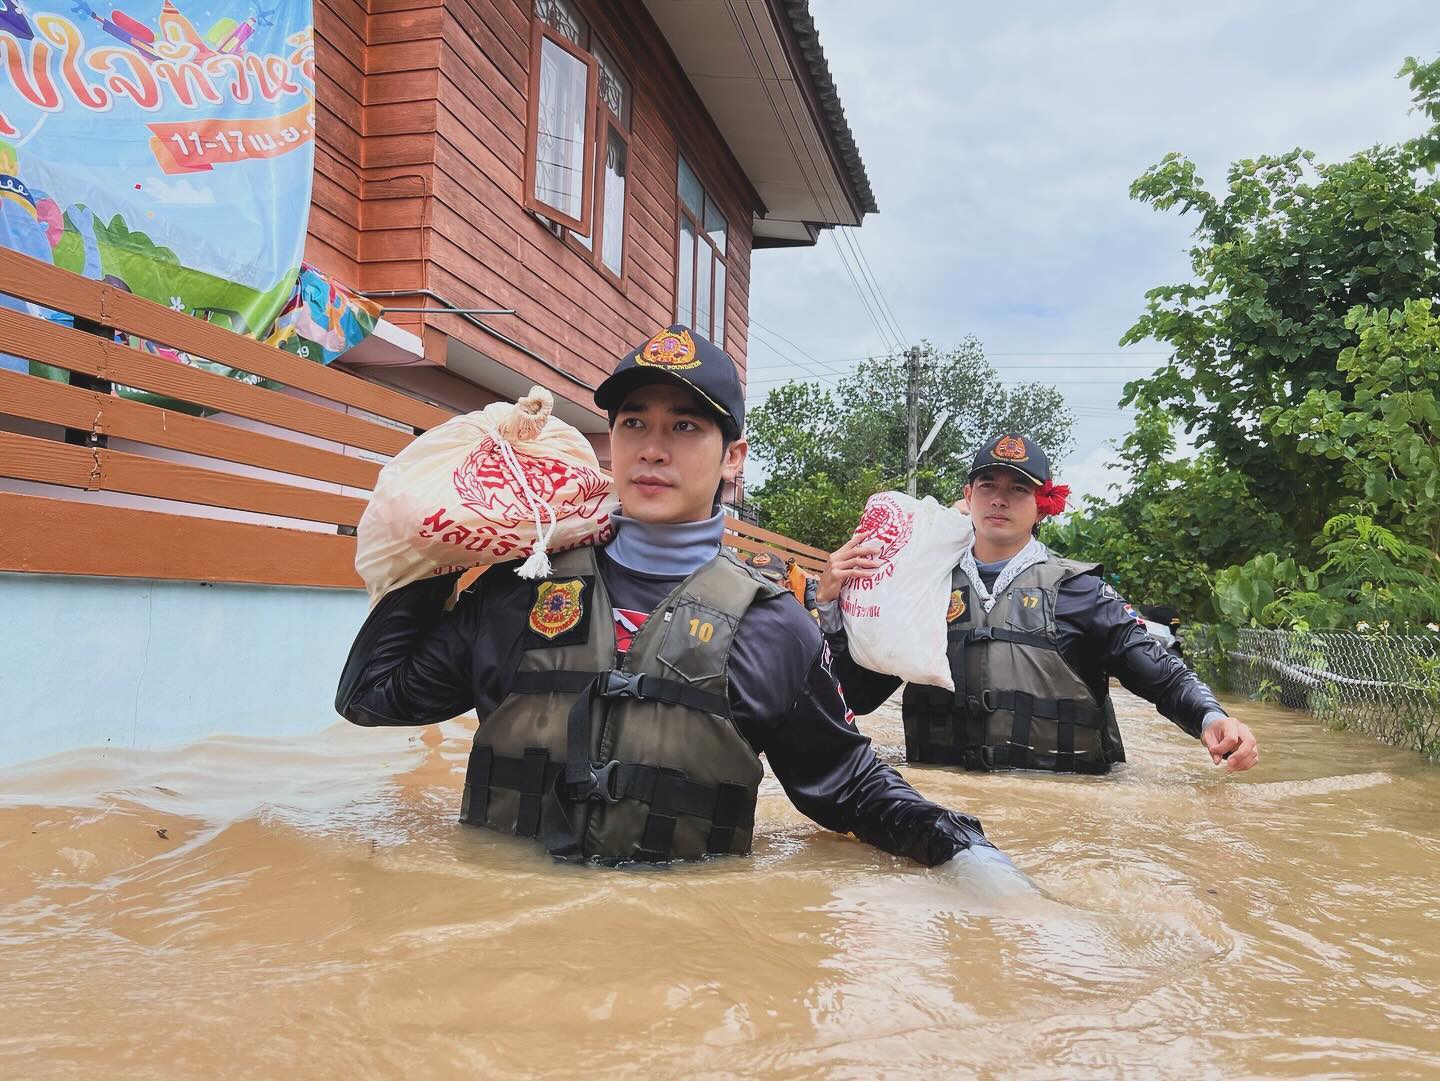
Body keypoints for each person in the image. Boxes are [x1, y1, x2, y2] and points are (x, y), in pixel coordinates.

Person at [335, 325, 999, 868]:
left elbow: (848, 785)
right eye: (632, 423)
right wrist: (437, 555)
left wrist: (965, 852)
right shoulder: (520, 589)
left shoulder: (773, 626)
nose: (652, 449)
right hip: (504, 965)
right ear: (611, 440)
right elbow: (373, 697)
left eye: (684, 427)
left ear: (733, 455)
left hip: (681, 982)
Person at [816, 434, 1260, 775]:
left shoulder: (1079, 591)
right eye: (988, 485)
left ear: (1042, 506)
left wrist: (1210, 717)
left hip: (1063, 818)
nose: (1000, 499)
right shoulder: (921, 585)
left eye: (1019, 489)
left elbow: (1159, 674)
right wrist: (832, 609)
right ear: (968, 496)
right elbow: (858, 697)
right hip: (946, 810)